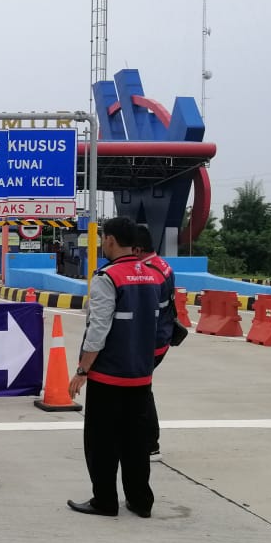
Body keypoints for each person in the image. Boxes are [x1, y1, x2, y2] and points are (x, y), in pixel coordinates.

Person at [66, 217, 163, 517]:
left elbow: (98, 329)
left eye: (103, 238)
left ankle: (105, 500)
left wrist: (82, 371)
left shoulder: (107, 277)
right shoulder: (153, 275)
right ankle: (140, 501)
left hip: (109, 377)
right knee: (136, 443)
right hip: (141, 376)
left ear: (110, 240)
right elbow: (162, 325)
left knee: (102, 443)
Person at [135, 224, 176, 461]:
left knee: (141, 391)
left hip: (151, 341)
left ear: (138, 249)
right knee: (141, 390)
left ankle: (150, 444)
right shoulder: (163, 265)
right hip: (162, 337)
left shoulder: (148, 272)